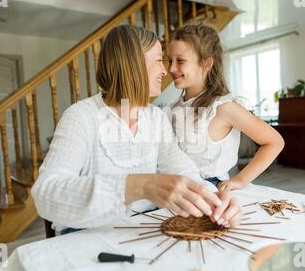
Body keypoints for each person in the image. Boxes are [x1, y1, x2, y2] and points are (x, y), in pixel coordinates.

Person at [31, 25, 243, 233]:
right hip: (89, 236)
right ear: (133, 64)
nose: (165, 70)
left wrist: (214, 199)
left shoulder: (155, 117)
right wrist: (139, 185)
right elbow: (45, 194)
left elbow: (183, 170)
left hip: (145, 229)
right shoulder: (81, 116)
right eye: (160, 60)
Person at [168, 24, 285, 228]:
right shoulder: (175, 107)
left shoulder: (223, 108)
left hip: (210, 191)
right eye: (170, 60)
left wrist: (240, 180)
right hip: (178, 189)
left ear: (206, 63)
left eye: (180, 61)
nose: (171, 68)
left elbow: (274, 142)